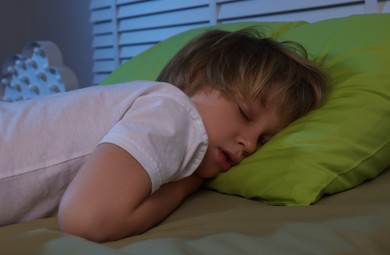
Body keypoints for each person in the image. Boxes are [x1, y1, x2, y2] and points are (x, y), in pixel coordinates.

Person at [0, 28, 328, 242]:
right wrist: (187, 186)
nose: (250, 145)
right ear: (196, 77)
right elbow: (85, 219)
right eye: (244, 113)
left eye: (265, 139)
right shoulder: (176, 112)